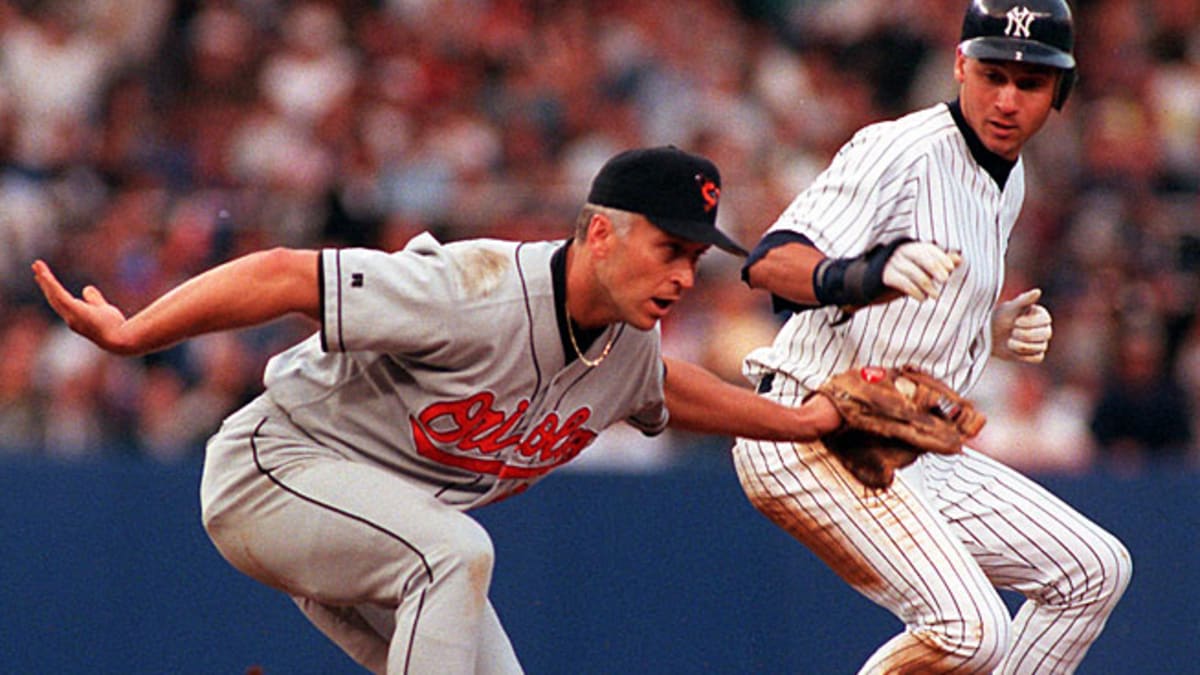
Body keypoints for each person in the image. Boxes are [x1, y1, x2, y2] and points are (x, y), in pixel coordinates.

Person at [33, 146, 845, 674]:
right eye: (670, 248)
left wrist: (807, 421)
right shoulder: (473, 289)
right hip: (273, 474)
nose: (683, 274)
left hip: (375, 534)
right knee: (455, 553)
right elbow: (285, 274)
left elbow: (663, 390)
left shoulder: (625, 343)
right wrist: (137, 332)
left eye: (696, 256)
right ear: (600, 233)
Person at [734, 2, 1131, 673]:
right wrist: (860, 274)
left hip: (909, 442)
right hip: (808, 428)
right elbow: (770, 263)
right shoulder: (900, 149)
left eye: (1029, 84)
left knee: (1093, 570)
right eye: (991, 74)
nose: (1006, 99)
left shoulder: (1011, 177)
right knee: (971, 629)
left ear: (1060, 92)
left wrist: (987, 329)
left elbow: (922, 318)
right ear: (958, 66)